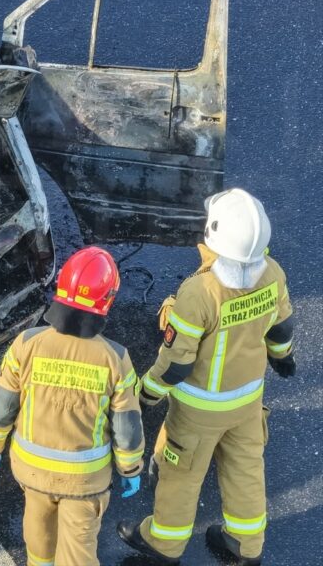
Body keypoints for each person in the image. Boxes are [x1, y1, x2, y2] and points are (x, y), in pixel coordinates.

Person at [118, 188, 295, 566]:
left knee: (182, 475)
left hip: (199, 410)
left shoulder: (200, 292)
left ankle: (162, 545)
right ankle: (245, 546)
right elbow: (281, 331)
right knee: (246, 468)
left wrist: (144, 394)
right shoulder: (274, 274)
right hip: (248, 401)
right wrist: (284, 359)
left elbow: (176, 363)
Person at [0, 246, 145, 566]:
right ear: (106, 300)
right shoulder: (115, 358)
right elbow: (127, 427)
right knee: (78, 552)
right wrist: (130, 468)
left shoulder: (27, 344)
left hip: (33, 472)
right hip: (84, 480)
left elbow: (2, 406)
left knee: (38, 535)